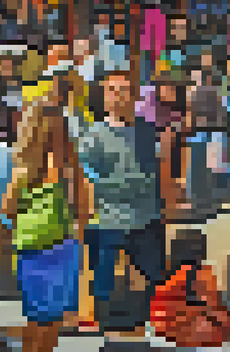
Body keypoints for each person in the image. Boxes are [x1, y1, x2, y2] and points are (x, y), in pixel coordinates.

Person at [78, 70, 166, 332]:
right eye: (112, 90)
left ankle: (150, 323)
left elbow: (159, 172)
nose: (117, 96)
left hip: (146, 217)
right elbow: (87, 177)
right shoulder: (92, 135)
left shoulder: (147, 132)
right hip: (107, 219)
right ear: (104, 96)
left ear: (134, 96)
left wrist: (165, 207)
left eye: (123, 90)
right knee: (103, 279)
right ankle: (105, 325)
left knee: (154, 276)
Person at [3, 105, 86, 352]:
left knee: (43, 319)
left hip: (47, 250)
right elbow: (82, 209)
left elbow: (7, 210)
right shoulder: (31, 171)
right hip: (47, 250)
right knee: (44, 320)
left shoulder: (56, 170)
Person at [150, 228, 230, 347]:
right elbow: (212, 306)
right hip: (190, 333)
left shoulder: (166, 276)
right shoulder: (201, 275)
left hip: (166, 332)